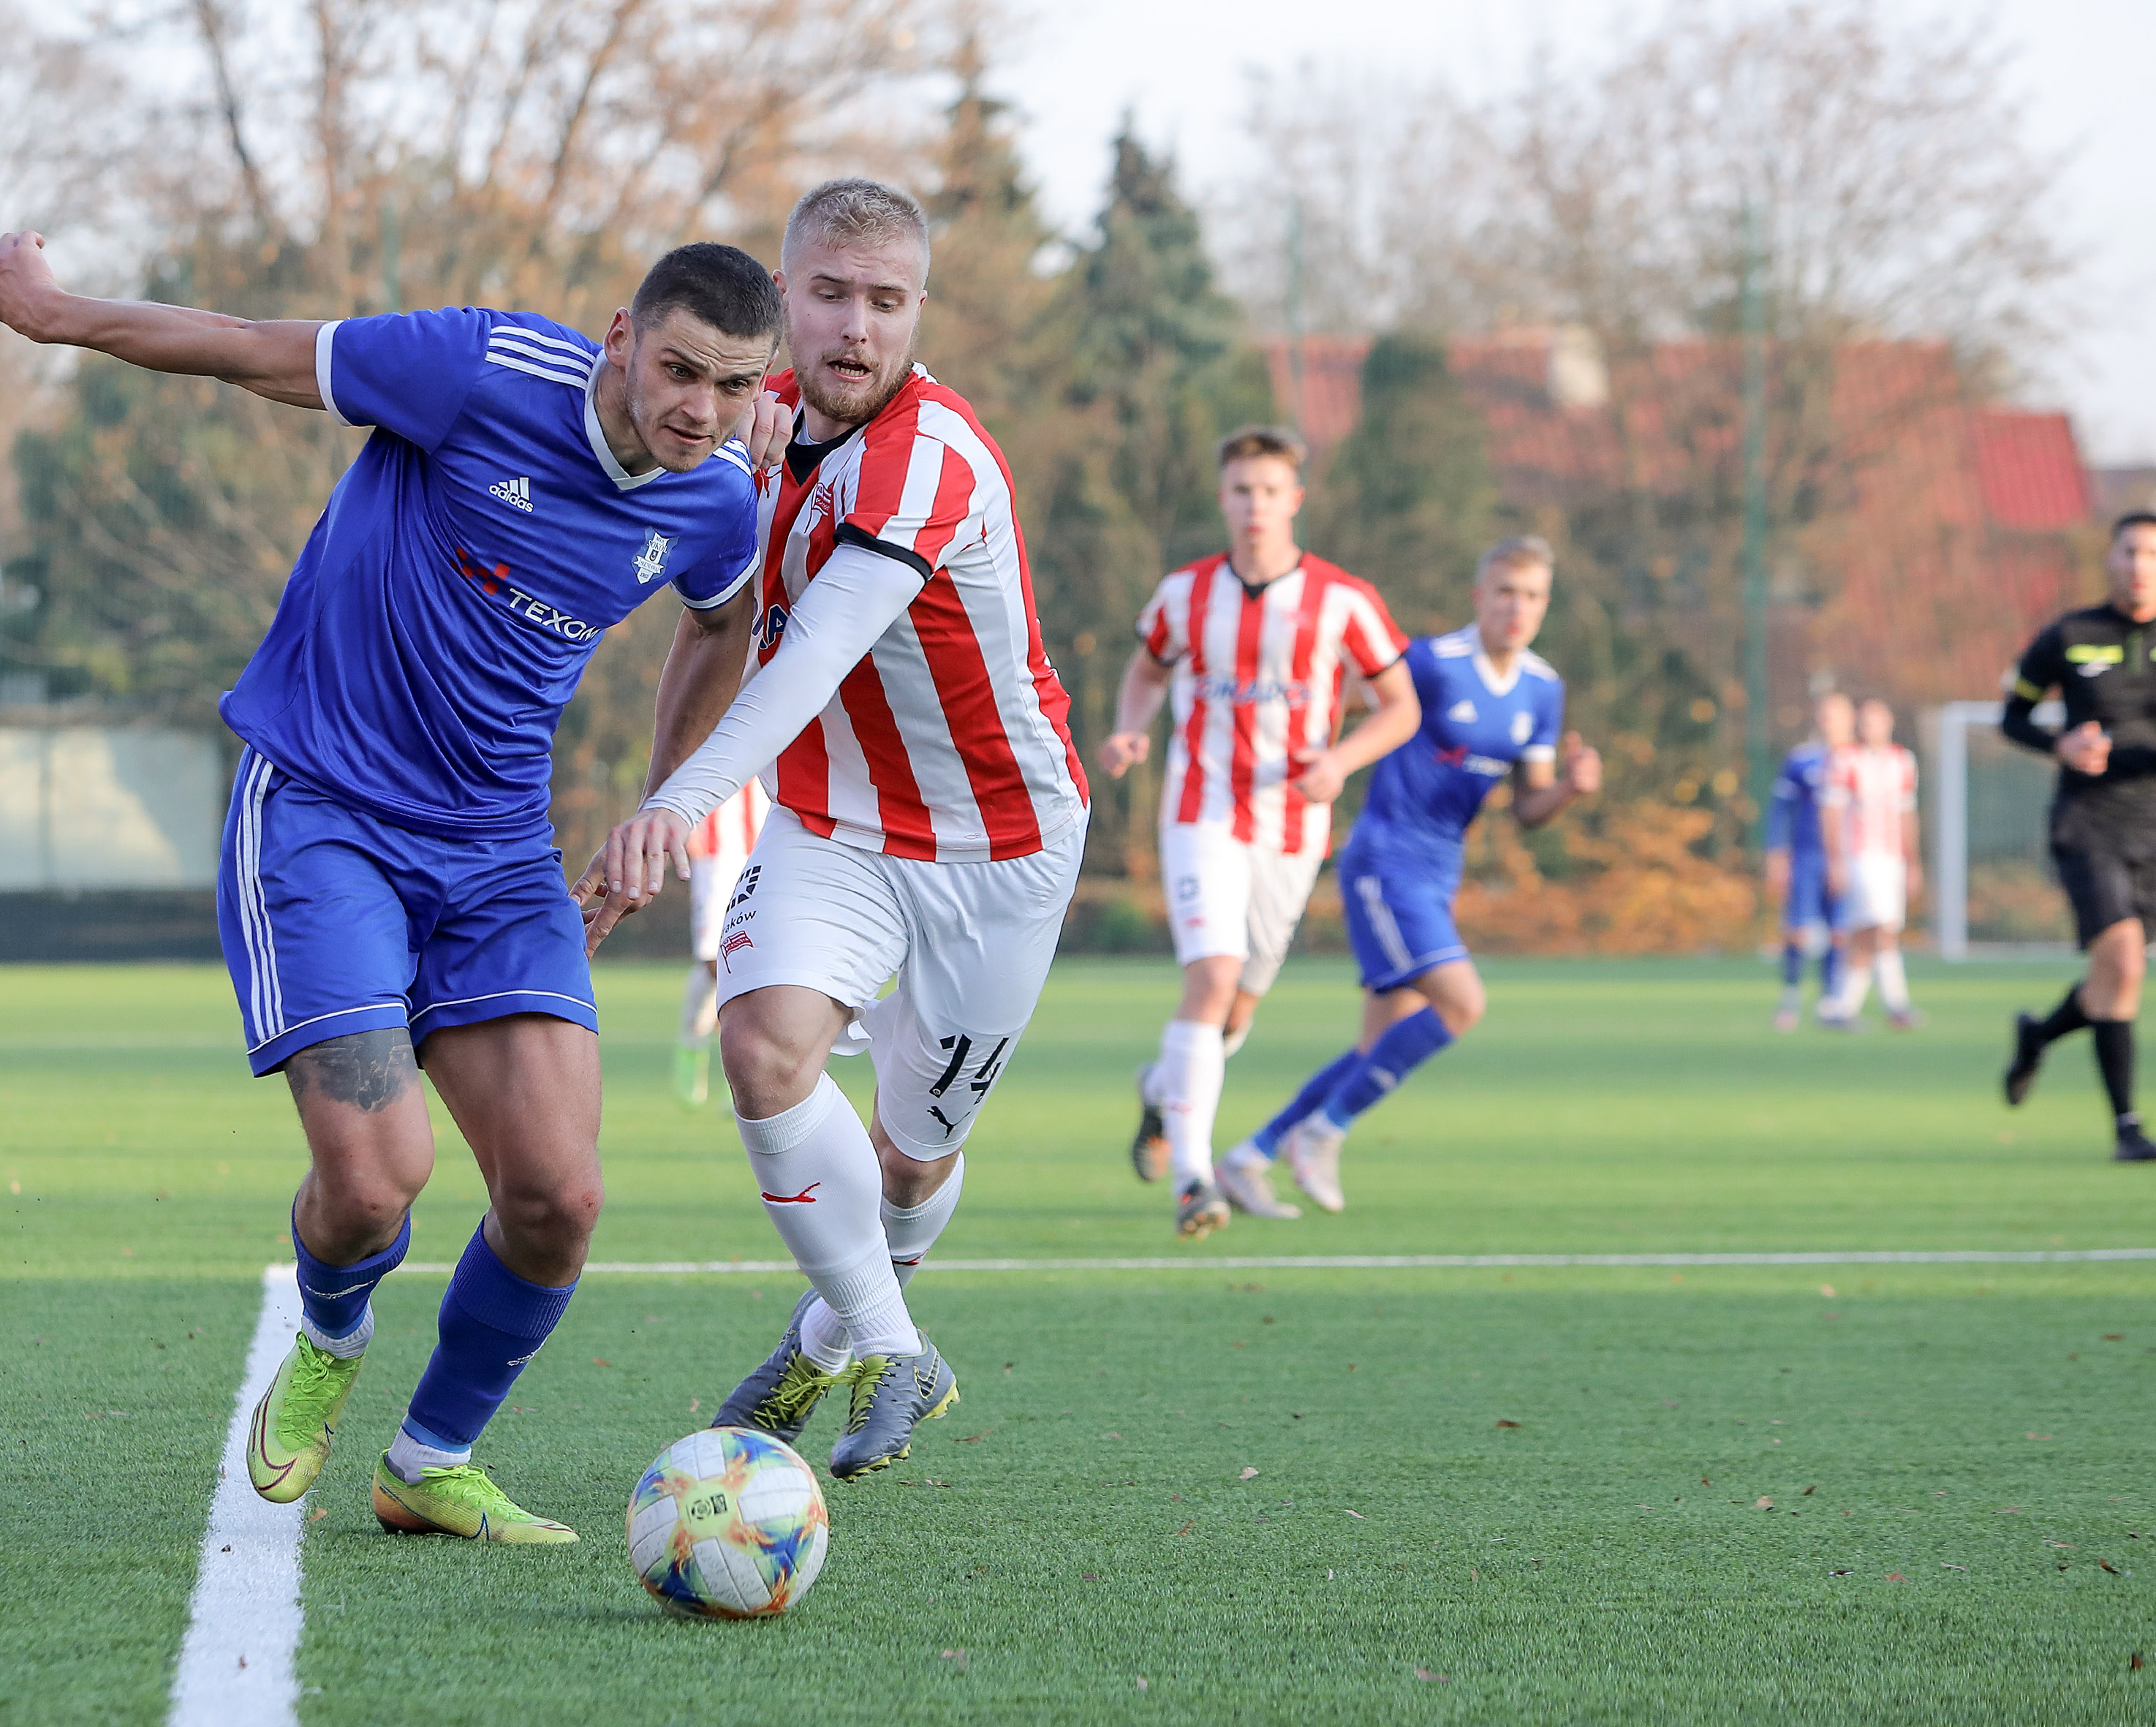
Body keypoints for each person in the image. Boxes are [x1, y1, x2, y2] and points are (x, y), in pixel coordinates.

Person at [0, 230, 794, 1542]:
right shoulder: (478, 369)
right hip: (324, 809)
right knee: (372, 1183)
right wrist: (55, 314)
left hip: (500, 853)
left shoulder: (712, 502)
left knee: (559, 1199)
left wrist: (660, 805)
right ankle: (331, 1333)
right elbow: (249, 350)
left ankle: (429, 1458)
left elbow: (719, 621)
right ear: (621, 337)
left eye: (735, 386)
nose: (701, 409)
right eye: (680, 369)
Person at [577, 178, 1087, 1479]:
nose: (857, 326)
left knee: (910, 1162)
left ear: (917, 311)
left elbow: (809, 655)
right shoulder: (748, 421)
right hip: (831, 825)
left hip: (996, 849)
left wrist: (676, 807)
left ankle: (825, 1338)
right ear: (782, 296)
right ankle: (893, 1346)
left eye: (887, 301)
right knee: (760, 1048)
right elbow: (706, 612)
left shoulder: (927, 455)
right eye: (830, 294)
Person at [1095, 428, 1419, 1236]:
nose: (1255, 506)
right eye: (1242, 490)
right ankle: (1194, 1179)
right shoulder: (1184, 594)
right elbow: (1146, 670)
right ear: (1223, 498)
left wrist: (1340, 760)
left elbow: (1401, 707)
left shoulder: (1343, 600)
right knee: (1212, 977)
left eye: (1270, 491)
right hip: (1200, 811)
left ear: (1294, 500)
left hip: (1291, 828)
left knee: (1236, 1011)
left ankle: (1160, 1088)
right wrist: (1130, 728)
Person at [1222, 537, 1601, 1212]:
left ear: (1545, 605)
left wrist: (1569, 789)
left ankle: (1251, 1155)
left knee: (1378, 1045)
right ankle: (1323, 1132)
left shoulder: (1542, 689)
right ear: (1478, 597)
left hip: (1439, 871)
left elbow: (1527, 809)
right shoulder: (1431, 663)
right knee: (1461, 1004)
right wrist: (1309, 755)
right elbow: (1341, 700)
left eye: (1532, 596)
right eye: (1505, 592)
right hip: (1384, 859)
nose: (1517, 608)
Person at [2000, 511, 2156, 1163]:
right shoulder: (2069, 634)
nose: (2139, 566)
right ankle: (2127, 1128)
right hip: (2086, 821)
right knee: (2124, 963)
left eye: (2150, 554)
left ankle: (2038, 1035)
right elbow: (2013, 717)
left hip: (2151, 827)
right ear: (2110, 559)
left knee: (2109, 979)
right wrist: (2058, 744)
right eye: (2130, 552)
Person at [1820, 698, 1922, 1028]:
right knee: (1879, 927)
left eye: (1876, 720)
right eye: (1864, 721)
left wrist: (1913, 862)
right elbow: (1831, 812)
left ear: (1889, 722)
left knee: (1874, 930)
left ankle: (1845, 1007)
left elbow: (1907, 813)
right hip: (1860, 857)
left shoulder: (1903, 761)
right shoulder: (1845, 760)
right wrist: (1835, 860)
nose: (1870, 727)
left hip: (1892, 858)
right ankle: (1894, 1005)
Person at [674, 779, 772, 1104]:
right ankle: (694, 1040)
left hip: (762, 849)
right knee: (715, 962)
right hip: (714, 855)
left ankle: (746, 1069)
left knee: (753, 959)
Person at [1763, 694, 1855, 1032]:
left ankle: (1831, 1001)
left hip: (1847, 858)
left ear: (1850, 719)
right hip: (1806, 857)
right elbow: (1780, 810)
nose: (1828, 722)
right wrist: (1776, 854)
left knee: (1840, 931)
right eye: (1824, 716)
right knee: (1798, 930)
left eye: (1835, 716)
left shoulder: (1859, 760)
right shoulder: (1802, 759)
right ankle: (1790, 999)